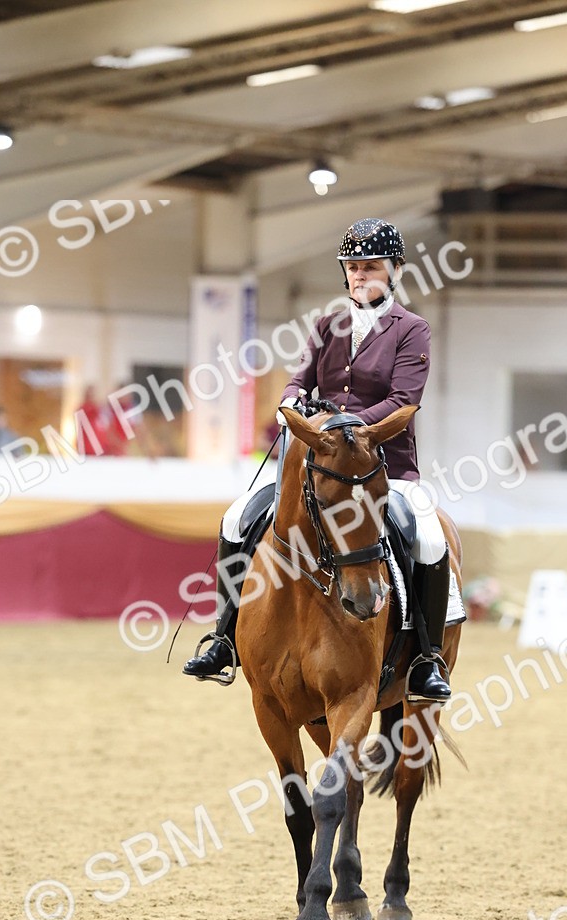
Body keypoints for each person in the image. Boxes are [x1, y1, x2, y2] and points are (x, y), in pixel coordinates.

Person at [183, 217, 465, 702]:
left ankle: (424, 658)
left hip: (385, 467)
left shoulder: (412, 330)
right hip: (317, 469)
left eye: (370, 267)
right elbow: (301, 378)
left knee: (430, 537)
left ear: (395, 269)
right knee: (236, 519)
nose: (359, 276)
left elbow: (404, 401)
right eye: (353, 267)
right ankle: (225, 636)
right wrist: (291, 402)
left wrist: (344, 426)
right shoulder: (327, 325)